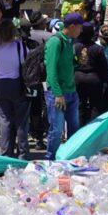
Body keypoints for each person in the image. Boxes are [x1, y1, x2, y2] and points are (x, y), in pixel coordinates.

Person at [44, 12, 84, 159]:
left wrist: (79, 61)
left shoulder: (69, 41)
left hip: (71, 92)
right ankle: (51, 159)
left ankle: (71, 157)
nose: (81, 31)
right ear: (72, 27)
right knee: (56, 129)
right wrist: (58, 93)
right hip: (58, 94)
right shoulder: (56, 42)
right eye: (80, 27)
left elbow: (68, 64)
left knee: (74, 128)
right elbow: (51, 70)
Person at [0, 16, 30, 158]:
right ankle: (22, 154)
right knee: (21, 121)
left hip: (0, 85)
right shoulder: (19, 46)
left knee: (5, 122)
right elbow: (26, 62)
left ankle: (5, 153)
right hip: (16, 84)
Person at [74, 23, 108, 125]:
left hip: (78, 78)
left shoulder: (75, 47)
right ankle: (93, 130)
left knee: (80, 105)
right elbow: (103, 67)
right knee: (95, 106)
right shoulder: (98, 48)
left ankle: (79, 131)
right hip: (94, 79)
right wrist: (106, 82)